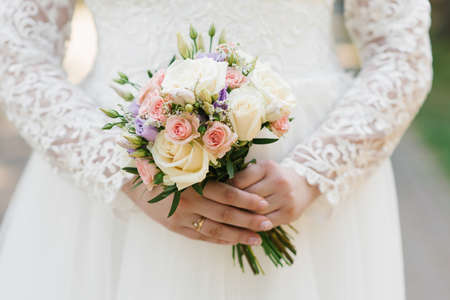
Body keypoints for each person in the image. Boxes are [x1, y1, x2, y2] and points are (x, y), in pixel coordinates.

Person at [0, 0, 432, 299]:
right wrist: (122, 173)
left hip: (301, 180)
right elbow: (17, 53)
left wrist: (316, 171)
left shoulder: (312, 174)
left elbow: (402, 49)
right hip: (114, 182)